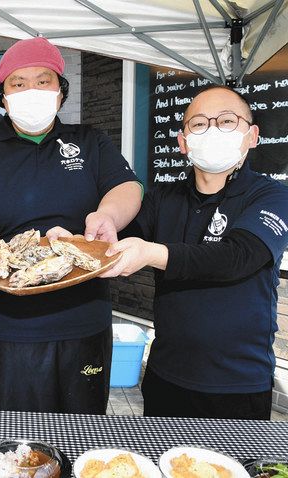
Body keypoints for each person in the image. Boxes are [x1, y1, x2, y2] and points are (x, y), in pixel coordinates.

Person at [0, 37, 142, 413]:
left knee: (76, 440)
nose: (32, 91)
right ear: (3, 96)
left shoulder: (89, 141)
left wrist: (108, 215)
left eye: (43, 81)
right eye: (18, 83)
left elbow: (126, 186)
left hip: (80, 325)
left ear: (61, 92)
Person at [102, 85, 288, 420]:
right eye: (199, 124)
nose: (213, 130)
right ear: (183, 141)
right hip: (166, 376)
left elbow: (238, 257)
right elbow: (117, 241)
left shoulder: (272, 196)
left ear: (253, 135)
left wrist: (153, 253)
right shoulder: (163, 198)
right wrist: (82, 238)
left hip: (238, 384)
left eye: (228, 121)